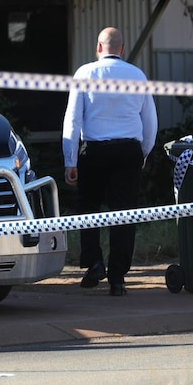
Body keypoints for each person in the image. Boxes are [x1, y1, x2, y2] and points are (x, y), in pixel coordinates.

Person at [62, 27, 157, 296]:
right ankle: (118, 277)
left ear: (98, 48)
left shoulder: (84, 73)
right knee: (124, 212)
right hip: (128, 150)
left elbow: (73, 120)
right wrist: (144, 152)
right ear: (122, 49)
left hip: (94, 150)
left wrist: (70, 159)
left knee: (88, 207)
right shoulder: (137, 75)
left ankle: (93, 263)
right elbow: (150, 120)